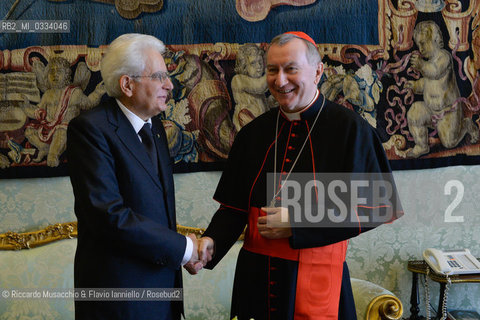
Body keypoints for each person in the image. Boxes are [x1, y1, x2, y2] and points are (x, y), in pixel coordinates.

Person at [197, 32, 402, 319]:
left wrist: (298, 221)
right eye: (272, 70)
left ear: (318, 71)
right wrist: (212, 242)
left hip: (317, 280)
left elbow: (377, 206)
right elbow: (233, 208)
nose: (279, 81)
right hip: (255, 280)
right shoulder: (253, 134)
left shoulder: (351, 131)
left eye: (291, 69)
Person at [67, 33, 203, 320]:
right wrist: (185, 249)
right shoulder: (90, 130)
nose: (169, 84)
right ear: (127, 84)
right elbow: (109, 216)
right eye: (158, 76)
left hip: (163, 295)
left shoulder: (154, 128)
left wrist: (178, 255)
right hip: (119, 302)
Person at [406, 20, 478, 158]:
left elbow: (435, 72)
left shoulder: (444, 57)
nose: (420, 48)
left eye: (423, 43)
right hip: (430, 110)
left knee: (449, 143)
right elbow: (428, 83)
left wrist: (421, 65)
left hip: (448, 112)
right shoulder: (427, 63)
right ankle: (422, 146)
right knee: (414, 113)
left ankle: (466, 125)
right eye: (418, 44)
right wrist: (415, 86)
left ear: (435, 39)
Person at [22, 57, 105, 167]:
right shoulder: (48, 94)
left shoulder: (74, 93)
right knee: (29, 131)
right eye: (52, 71)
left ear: (66, 75)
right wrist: (26, 106)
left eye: (59, 71)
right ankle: (44, 148)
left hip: (66, 130)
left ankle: (53, 154)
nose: (55, 75)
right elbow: (38, 112)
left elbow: (88, 104)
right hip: (48, 128)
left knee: (61, 130)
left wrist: (98, 92)